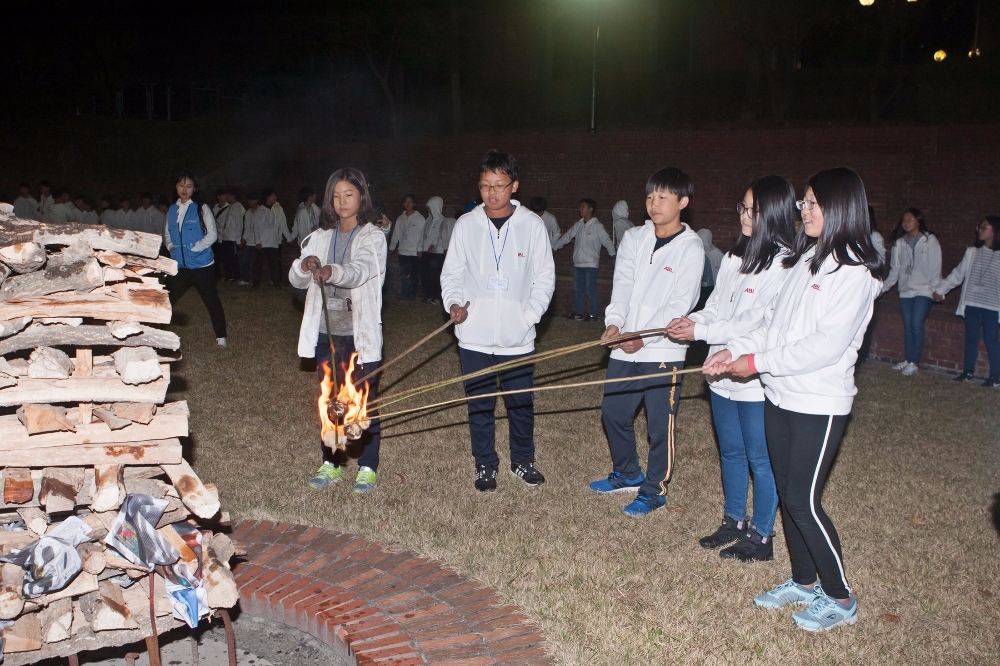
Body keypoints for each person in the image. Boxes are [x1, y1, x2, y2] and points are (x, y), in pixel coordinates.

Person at [704, 167, 883, 632]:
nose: (803, 210)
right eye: (803, 202)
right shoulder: (805, 261)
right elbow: (774, 326)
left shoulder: (856, 273)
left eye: (812, 202)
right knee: (787, 495)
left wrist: (757, 362)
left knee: (803, 499)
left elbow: (823, 346)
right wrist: (736, 352)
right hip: (781, 396)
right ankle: (803, 582)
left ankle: (840, 597)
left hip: (819, 403)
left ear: (841, 208)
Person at [666, 176, 796, 560]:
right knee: (731, 451)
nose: (744, 215)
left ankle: (762, 534)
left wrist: (703, 329)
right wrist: (691, 322)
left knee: (761, 457)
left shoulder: (786, 265)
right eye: (742, 206)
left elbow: (755, 323)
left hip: (753, 376)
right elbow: (718, 306)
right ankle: (734, 520)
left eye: (753, 210)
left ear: (774, 214)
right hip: (718, 371)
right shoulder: (734, 257)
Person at [589, 167, 703, 516]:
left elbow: (679, 304)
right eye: (650, 196)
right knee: (614, 414)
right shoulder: (634, 238)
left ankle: (655, 489)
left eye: (663, 197)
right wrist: (615, 323)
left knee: (659, 425)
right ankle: (628, 473)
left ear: (682, 201)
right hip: (627, 344)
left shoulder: (691, 247)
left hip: (663, 350)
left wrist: (645, 335)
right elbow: (621, 285)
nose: (654, 204)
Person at [440, 150, 555, 492]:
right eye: (485, 185)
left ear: (514, 186)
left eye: (500, 185)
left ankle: (523, 461)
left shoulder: (532, 225)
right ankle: (485, 465)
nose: (492, 193)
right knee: (480, 405)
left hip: (517, 337)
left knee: (520, 402)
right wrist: (455, 304)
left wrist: (527, 317)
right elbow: (452, 274)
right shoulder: (466, 225)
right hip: (474, 335)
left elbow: (544, 278)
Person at [291, 167, 387, 493]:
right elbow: (297, 277)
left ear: (362, 196)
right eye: (336, 195)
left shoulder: (373, 237)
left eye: (349, 194)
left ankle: (368, 466)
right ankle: (330, 461)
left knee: (363, 402)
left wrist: (332, 270)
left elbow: (359, 272)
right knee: (330, 398)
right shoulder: (320, 236)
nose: (342, 201)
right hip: (326, 333)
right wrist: (304, 266)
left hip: (359, 335)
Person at [932, 216, 1000, 386]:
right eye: (980, 226)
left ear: (995, 232)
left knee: (991, 338)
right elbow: (958, 274)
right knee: (971, 337)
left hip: (992, 305)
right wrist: (941, 290)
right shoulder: (972, 252)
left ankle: (996, 376)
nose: (980, 229)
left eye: (985, 227)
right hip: (972, 302)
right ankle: (968, 372)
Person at [163, 172, 228, 347]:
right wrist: (170, 247)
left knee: (211, 299)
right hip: (179, 264)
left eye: (189, 186)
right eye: (181, 185)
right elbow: (167, 233)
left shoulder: (201, 208)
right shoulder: (171, 209)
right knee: (166, 298)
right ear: (176, 187)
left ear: (194, 189)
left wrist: (195, 248)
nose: (184, 189)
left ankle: (221, 336)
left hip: (202, 264)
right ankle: (156, 331)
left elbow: (212, 234)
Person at [879, 208, 940, 375]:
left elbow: (935, 266)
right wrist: (882, 288)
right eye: (904, 220)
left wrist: (938, 289)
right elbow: (895, 270)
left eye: (910, 219)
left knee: (916, 323)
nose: (906, 223)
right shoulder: (899, 243)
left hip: (924, 289)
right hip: (905, 290)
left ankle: (914, 363)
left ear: (918, 221)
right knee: (908, 325)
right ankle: (907, 360)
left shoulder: (929, 240)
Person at [553, 198, 616, 321]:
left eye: (583, 207)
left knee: (590, 289)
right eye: (580, 207)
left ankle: (592, 315)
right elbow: (566, 237)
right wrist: (554, 248)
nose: (580, 209)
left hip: (591, 264)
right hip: (578, 263)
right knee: (577, 290)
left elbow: (607, 241)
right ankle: (578, 313)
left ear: (590, 209)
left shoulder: (597, 226)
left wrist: (613, 255)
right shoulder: (579, 225)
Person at [858, 206, 887, 362]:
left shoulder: (874, 236)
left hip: (868, 279)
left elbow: (880, 259)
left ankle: (863, 354)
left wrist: (878, 280)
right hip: (857, 281)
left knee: (866, 318)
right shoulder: (856, 235)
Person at [388, 194, 426, 300]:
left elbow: (422, 235)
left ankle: (412, 296)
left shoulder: (419, 219)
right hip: (403, 252)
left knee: (413, 275)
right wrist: (391, 248)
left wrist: (419, 249)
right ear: (403, 204)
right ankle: (404, 294)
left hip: (414, 252)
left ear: (414, 204)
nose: (408, 204)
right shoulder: (401, 218)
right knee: (404, 275)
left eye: (410, 202)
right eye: (406, 202)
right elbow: (396, 234)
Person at [420, 196, 448, 304]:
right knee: (426, 275)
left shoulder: (442, 221)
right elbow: (423, 235)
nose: (429, 210)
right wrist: (421, 247)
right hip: (427, 252)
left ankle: (436, 297)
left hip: (437, 253)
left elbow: (442, 236)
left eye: (430, 207)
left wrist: (435, 245)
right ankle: (428, 295)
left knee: (435, 276)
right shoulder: (428, 220)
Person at [215, 188, 244, 283]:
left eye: (229, 195)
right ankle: (230, 276)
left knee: (233, 258)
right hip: (225, 237)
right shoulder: (230, 207)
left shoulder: (238, 207)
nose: (227, 197)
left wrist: (238, 239)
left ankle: (237, 276)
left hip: (232, 238)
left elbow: (239, 224)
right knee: (226, 258)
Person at [240, 192, 264, 285]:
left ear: (257, 200)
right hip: (250, 241)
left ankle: (257, 280)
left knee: (258, 262)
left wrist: (261, 241)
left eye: (252, 200)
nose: (250, 202)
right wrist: (244, 240)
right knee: (245, 260)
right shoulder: (248, 213)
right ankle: (245, 279)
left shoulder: (262, 211)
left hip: (260, 241)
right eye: (249, 200)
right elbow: (247, 228)